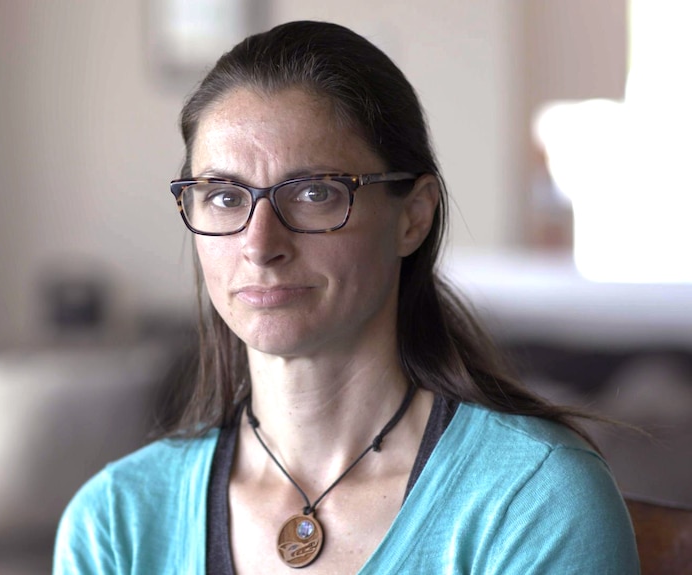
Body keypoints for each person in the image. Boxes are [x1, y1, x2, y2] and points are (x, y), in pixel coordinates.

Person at [54, 21, 639, 574]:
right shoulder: (114, 523)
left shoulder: (534, 500)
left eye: (313, 192)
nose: (260, 245)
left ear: (413, 216)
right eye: (226, 197)